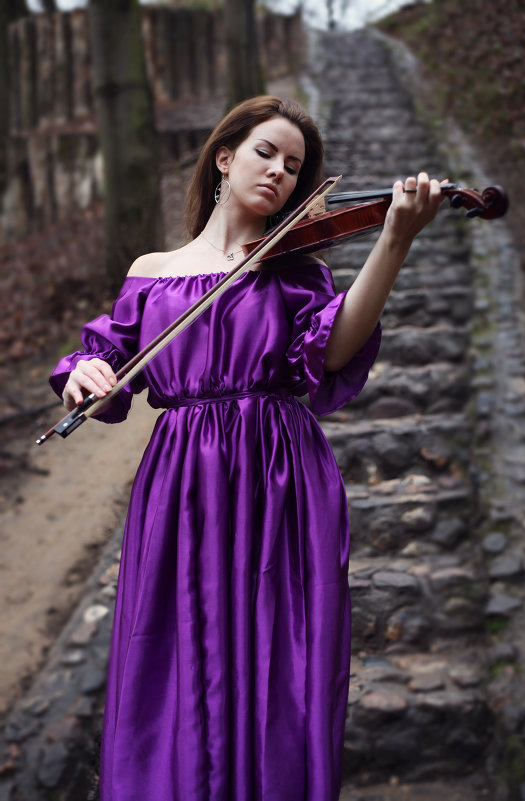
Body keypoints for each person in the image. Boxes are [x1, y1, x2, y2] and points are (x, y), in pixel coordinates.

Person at [50, 96, 445, 801]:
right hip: (178, 484)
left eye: (294, 166)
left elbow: (329, 354)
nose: (280, 173)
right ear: (224, 156)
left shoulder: (295, 271)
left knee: (280, 654)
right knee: (169, 657)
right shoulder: (151, 270)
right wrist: (83, 374)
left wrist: (393, 240)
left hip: (279, 473)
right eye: (266, 152)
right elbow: (104, 372)